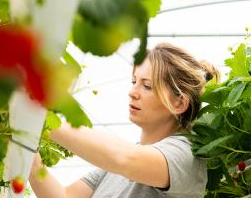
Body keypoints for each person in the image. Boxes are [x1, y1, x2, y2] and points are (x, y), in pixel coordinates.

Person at [29, 42, 220, 198]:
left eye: (147, 86)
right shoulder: (112, 167)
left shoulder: (185, 153)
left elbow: (125, 159)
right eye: (133, 82)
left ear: (179, 103)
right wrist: (28, 155)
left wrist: (40, 119)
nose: (132, 92)